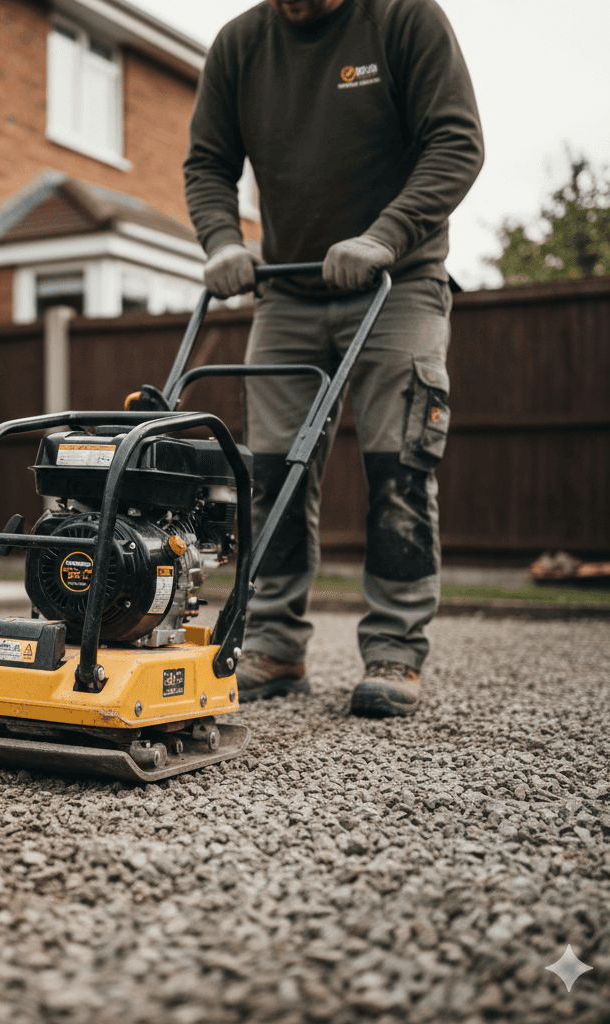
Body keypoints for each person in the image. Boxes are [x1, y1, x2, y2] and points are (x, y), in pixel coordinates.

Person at [183, 0, 483, 717]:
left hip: (397, 278)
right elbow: (208, 162)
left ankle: (394, 650)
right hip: (286, 290)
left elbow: (456, 142)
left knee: (399, 464)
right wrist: (223, 241)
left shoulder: (404, 19)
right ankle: (275, 645)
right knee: (270, 472)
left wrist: (386, 235)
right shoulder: (240, 45)